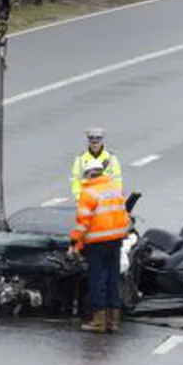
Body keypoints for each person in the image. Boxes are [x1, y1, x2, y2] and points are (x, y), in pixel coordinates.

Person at [68, 159, 130, 333]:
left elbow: (82, 224)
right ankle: (114, 320)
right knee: (112, 279)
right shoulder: (115, 189)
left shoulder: (88, 193)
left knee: (98, 280)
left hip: (97, 244)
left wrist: (74, 243)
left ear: (87, 174)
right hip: (116, 241)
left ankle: (99, 321)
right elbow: (125, 217)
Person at [70, 127, 122, 198]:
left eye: (97, 142)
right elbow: (75, 179)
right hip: (87, 195)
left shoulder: (111, 158)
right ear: (89, 142)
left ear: (102, 142)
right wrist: (78, 197)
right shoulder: (80, 158)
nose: (95, 145)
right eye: (92, 143)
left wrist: (116, 196)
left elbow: (117, 179)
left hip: (106, 195)